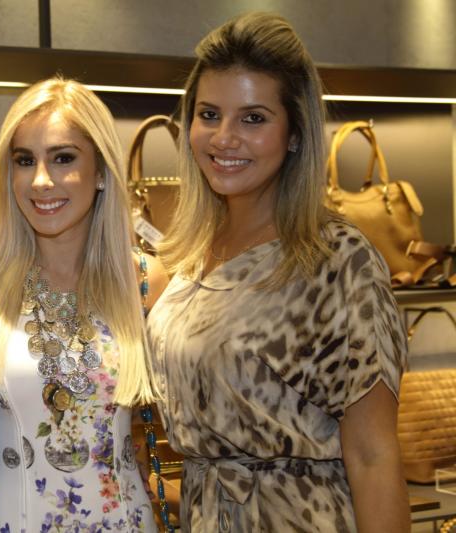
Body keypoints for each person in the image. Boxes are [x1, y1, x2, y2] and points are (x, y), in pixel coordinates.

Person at [147, 12, 410, 533]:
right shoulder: (190, 257)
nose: (224, 137)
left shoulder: (335, 259)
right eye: (209, 114)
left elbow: (374, 456)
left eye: (253, 118)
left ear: (294, 134)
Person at [0, 77, 169, 532]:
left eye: (63, 158)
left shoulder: (144, 282)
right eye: (24, 160)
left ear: (101, 172)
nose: (40, 180)